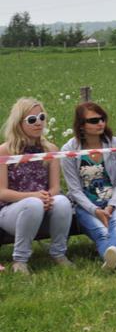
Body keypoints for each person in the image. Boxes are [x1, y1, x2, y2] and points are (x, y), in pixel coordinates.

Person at [0, 98, 73, 274]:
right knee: (32, 204)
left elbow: (55, 187)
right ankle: (20, 260)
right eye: (32, 120)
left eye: (41, 117)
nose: (38, 123)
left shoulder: (50, 149)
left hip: (43, 206)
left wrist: (47, 198)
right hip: (10, 212)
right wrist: (34, 197)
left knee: (62, 201)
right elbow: (2, 192)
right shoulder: (4, 151)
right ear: (18, 123)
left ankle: (58, 253)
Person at [61, 102, 116, 272]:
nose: (100, 123)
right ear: (81, 125)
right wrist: (95, 210)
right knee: (101, 232)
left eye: (102, 119)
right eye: (94, 120)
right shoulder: (68, 150)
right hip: (85, 206)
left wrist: (111, 206)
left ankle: (113, 258)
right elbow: (74, 190)